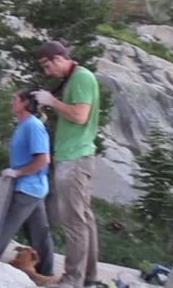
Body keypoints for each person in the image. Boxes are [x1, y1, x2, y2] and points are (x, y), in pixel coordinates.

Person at [31, 41, 101, 288]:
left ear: (59, 58)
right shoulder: (75, 79)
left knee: (73, 222)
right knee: (84, 219)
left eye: (48, 66)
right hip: (76, 156)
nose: (47, 72)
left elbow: (81, 116)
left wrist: (51, 101)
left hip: (75, 159)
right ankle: (89, 278)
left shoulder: (81, 78)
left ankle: (72, 279)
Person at [0, 89, 54, 278]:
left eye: (14, 99)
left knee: (3, 227)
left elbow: (42, 159)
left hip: (28, 188)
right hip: (33, 188)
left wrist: (17, 172)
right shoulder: (23, 125)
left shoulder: (33, 125)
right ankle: (46, 274)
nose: (11, 102)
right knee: (40, 233)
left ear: (24, 103)